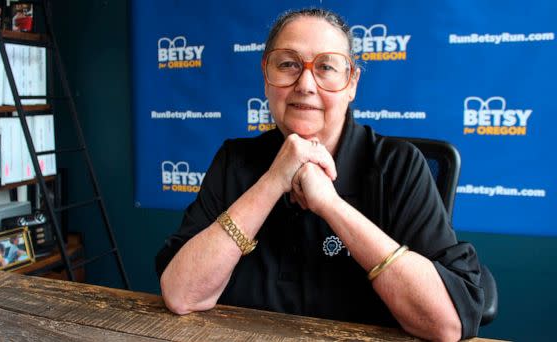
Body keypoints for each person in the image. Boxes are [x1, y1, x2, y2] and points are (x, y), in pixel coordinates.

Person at [156, 8, 483, 341]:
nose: (305, 84)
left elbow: (446, 324)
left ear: (351, 82)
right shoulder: (234, 160)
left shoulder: (399, 166)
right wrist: (271, 182)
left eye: (325, 67)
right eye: (288, 65)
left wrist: (330, 204)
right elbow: (182, 295)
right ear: (266, 76)